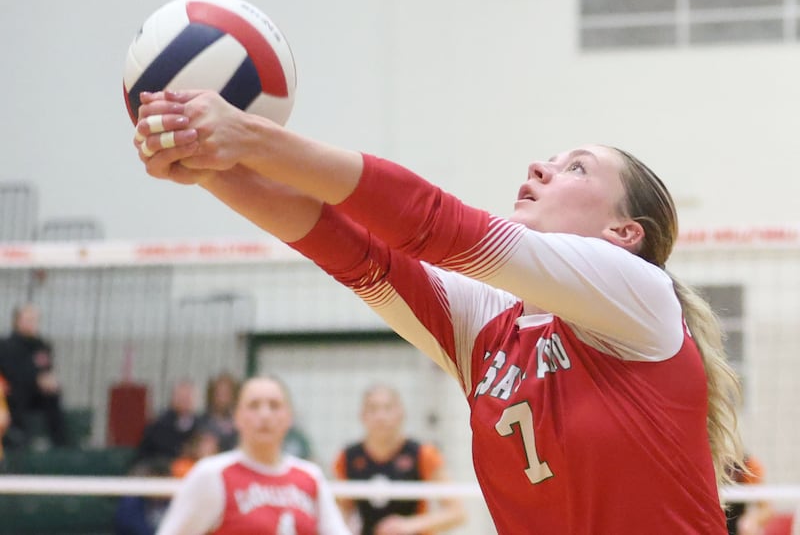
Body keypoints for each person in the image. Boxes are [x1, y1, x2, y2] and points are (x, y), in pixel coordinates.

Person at [133, 89, 745, 534]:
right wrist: (204, 164)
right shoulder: (490, 329)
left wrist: (252, 138)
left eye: (576, 167)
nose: (541, 167)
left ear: (624, 232)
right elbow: (356, 253)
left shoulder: (641, 297)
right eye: (553, 159)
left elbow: (436, 224)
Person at [156, 375, 349, 534]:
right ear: (237, 416)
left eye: (274, 405)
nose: (265, 415)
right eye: (254, 405)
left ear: (289, 417)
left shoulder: (310, 476)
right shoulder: (212, 474)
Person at [333, 384, 465, 535]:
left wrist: (410, 525)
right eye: (373, 409)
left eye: (388, 408)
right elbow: (342, 513)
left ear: (401, 413)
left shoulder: (424, 454)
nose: (380, 416)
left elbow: (457, 513)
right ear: (362, 415)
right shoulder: (347, 457)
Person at [0, 303, 67, 448]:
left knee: (53, 394)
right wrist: (35, 379)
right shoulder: (6, 345)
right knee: (17, 391)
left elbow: (46, 368)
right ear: (17, 321)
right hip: (13, 393)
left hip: (36, 394)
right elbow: (12, 372)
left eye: (34, 320)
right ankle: (17, 435)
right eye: (28, 319)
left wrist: (49, 381)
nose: (32, 323)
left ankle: (59, 440)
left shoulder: (41, 345)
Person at [135, 379, 200, 465]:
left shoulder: (201, 426)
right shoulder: (158, 425)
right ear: (173, 398)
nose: (184, 401)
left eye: (188, 397)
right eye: (181, 397)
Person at [727, 453, 775, 535]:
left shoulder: (748, 465)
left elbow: (767, 508)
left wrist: (753, 520)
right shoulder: (708, 464)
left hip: (737, 525)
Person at [199, 372, 240, 452]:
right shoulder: (202, 422)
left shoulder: (238, 423)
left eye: (226, 393)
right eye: (219, 393)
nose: (223, 398)